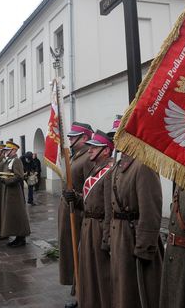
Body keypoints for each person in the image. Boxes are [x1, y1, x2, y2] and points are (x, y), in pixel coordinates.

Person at [105, 132, 163, 307]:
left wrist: (144, 247)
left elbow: (150, 211)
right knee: (121, 288)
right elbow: (110, 208)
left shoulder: (144, 165)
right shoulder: (118, 166)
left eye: (120, 136)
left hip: (133, 237)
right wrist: (108, 237)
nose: (116, 141)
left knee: (137, 292)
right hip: (119, 238)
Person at [72, 129, 114, 308]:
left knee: (100, 272)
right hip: (88, 225)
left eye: (94, 147)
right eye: (89, 147)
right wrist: (75, 198)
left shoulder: (109, 172)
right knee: (87, 269)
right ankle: (87, 300)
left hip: (99, 227)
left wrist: (106, 238)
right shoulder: (96, 169)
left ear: (105, 150)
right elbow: (89, 201)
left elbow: (108, 208)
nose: (89, 150)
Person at [59, 121, 95, 307]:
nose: (70, 138)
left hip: (80, 213)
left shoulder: (87, 158)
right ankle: (78, 292)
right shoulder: (76, 156)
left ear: (85, 138)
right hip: (69, 210)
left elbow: (91, 189)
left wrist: (77, 198)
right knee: (72, 254)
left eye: (74, 136)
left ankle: (82, 295)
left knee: (80, 255)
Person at [0, 141, 31, 247]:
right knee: (12, 215)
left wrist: (6, 181)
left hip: (15, 192)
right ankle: (17, 237)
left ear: (14, 150)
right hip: (9, 191)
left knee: (18, 214)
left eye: (8, 150)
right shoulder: (9, 160)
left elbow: (19, 176)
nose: (6, 152)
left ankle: (21, 238)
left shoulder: (16, 161)